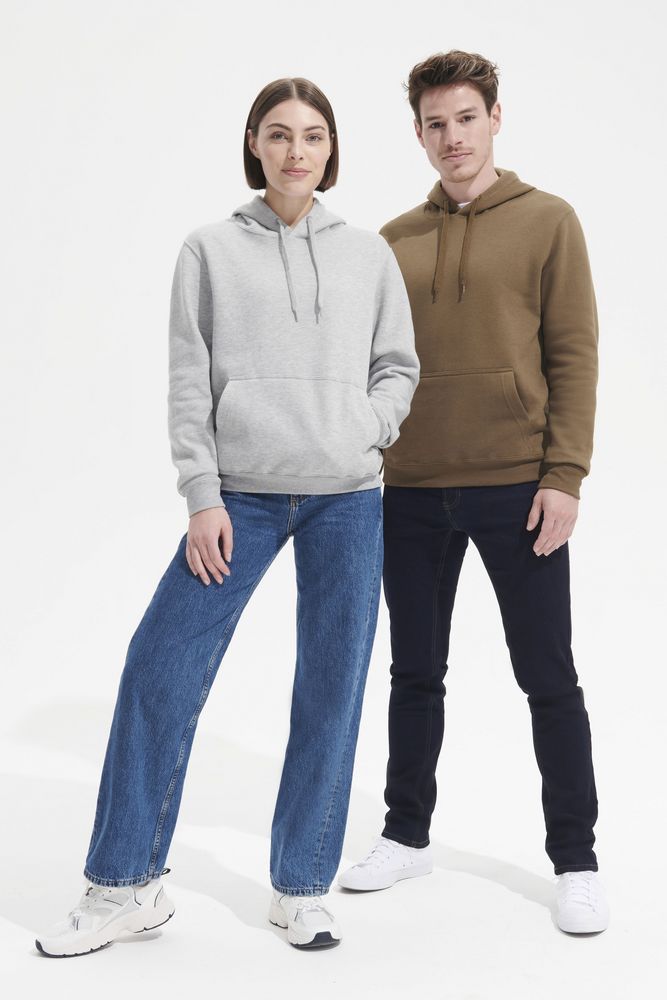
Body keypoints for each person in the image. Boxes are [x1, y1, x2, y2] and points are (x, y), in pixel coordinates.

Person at [35, 77, 419, 957]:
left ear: (331, 148)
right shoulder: (207, 249)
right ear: (253, 144)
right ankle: (125, 885)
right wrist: (201, 495)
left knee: (331, 688)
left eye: (312, 135)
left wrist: (364, 426)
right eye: (278, 134)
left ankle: (301, 889)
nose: (295, 151)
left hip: (347, 500)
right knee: (159, 666)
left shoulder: (366, 255)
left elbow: (397, 366)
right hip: (239, 496)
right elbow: (187, 378)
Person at [338, 50, 609, 935]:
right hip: (411, 489)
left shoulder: (548, 221)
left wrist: (563, 475)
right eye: (434, 123)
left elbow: (573, 354)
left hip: (515, 486)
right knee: (413, 673)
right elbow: (372, 365)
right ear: (417, 133)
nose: (450, 137)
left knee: (547, 676)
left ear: (495, 118)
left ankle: (575, 860)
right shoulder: (393, 240)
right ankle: (404, 834)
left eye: (464, 118)